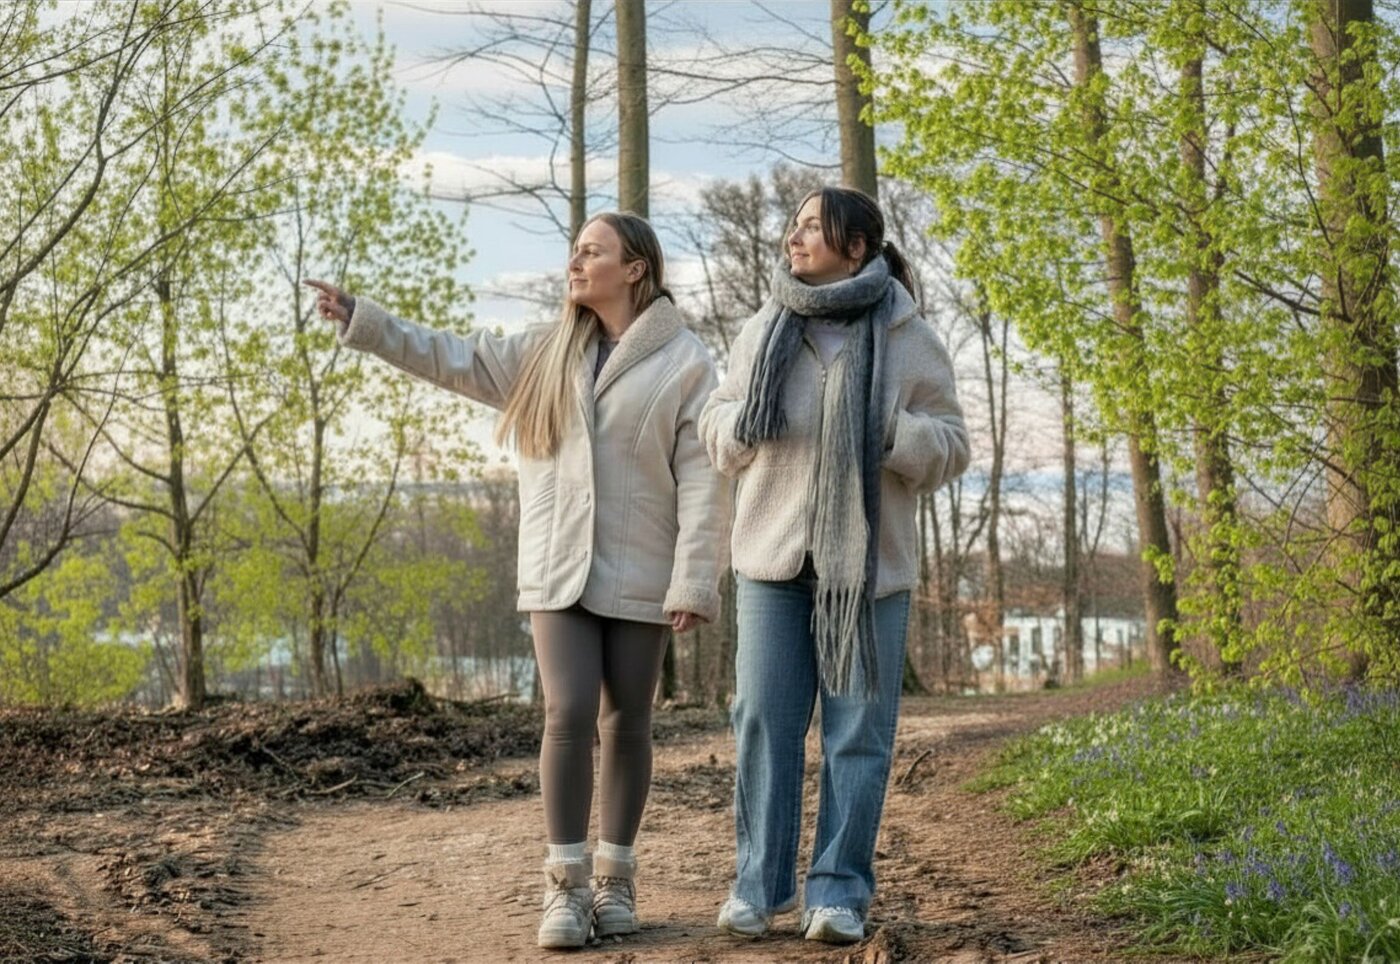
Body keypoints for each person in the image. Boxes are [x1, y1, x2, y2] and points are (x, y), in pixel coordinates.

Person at [306, 211, 728, 949]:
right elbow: (454, 357)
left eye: (592, 252)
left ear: (635, 269)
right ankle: (564, 888)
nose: (576, 262)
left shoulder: (686, 362)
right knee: (567, 712)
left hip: (642, 568)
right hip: (556, 566)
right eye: (574, 251)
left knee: (627, 720)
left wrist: (694, 579)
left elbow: (700, 481)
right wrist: (365, 321)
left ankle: (616, 879)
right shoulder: (544, 351)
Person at [699, 186, 969, 945]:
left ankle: (839, 892)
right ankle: (758, 886)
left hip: (870, 574)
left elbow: (953, 441)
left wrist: (893, 433)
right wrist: (740, 425)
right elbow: (716, 418)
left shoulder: (907, 333)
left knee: (857, 734)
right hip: (772, 564)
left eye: (811, 227)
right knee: (762, 722)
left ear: (856, 247)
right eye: (794, 226)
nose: (794, 237)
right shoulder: (766, 325)